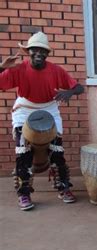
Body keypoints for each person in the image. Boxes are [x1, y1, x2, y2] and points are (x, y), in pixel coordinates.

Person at [0, 32, 85, 210]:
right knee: (23, 152)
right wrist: (2, 67)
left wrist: (69, 92)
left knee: (57, 151)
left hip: (49, 109)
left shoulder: (56, 70)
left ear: (47, 54)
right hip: (25, 109)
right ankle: (24, 193)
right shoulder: (18, 68)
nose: (38, 53)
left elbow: (79, 87)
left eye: (42, 51)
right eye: (34, 50)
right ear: (28, 51)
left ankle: (64, 187)